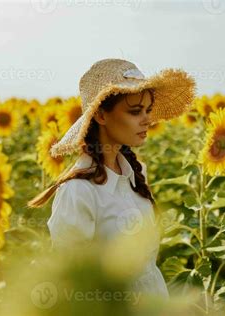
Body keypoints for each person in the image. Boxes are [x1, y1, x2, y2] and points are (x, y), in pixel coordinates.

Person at [28, 58, 196, 299]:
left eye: (148, 110)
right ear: (101, 115)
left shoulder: (135, 175)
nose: (147, 119)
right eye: (135, 111)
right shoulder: (78, 190)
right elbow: (72, 282)